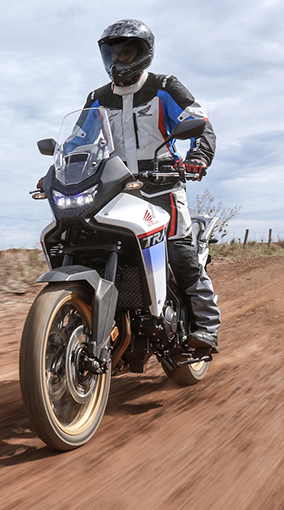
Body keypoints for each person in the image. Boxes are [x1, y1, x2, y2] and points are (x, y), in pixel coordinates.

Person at [83, 19, 221, 351]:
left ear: (144, 54)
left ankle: (205, 325)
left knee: (180, 255)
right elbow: (80, 141)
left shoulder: (164, 87)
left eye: (128, 53)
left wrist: (197, 158)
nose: (119, 61)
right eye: (113, 54)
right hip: (115, 191)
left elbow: (200, 124)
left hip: (162, 188)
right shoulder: (97, 98)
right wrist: (56, 170)